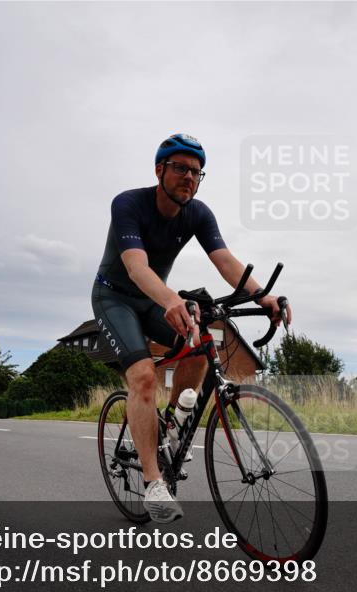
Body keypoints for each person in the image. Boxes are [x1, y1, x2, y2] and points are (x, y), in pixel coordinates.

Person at [92, 133, 292, 523]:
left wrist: (262, 296)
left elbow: (226, 262)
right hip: (114, 297)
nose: (189, 177)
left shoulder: (198, 213)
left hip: (152, 299)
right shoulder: (129, 204)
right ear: (159, 170)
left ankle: (166, 426)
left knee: (204, 343)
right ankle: (153, 484)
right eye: (181, 168)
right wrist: (171, 300)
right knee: (145, 377)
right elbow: (136, 267)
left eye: (197, 172)